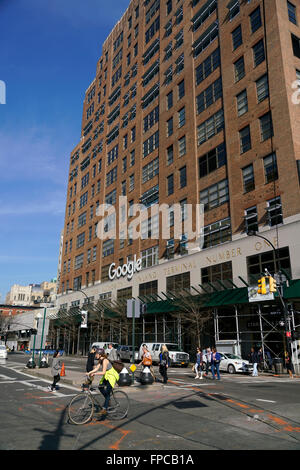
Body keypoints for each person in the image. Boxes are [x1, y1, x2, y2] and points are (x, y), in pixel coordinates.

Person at [87, 348, 120, 416]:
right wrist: (89, 372)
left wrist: (95, 374)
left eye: (96, 354)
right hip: (106, 376)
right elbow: (96, 368)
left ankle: (104, 408)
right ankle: (107, 400)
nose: (95, 355)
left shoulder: (105, 360)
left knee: (107, 393)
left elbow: (103, 372)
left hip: (111, 377)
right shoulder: (100, 360)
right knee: (100, 387)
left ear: (99, 354)